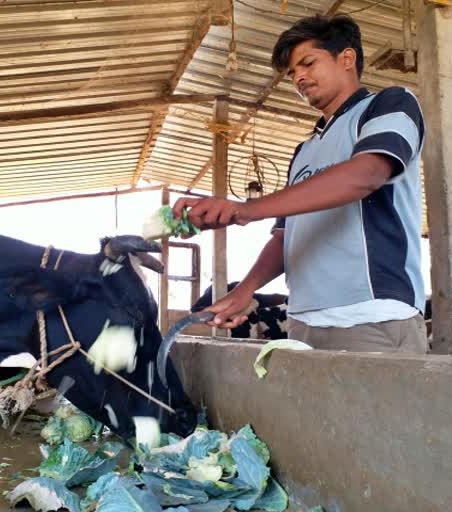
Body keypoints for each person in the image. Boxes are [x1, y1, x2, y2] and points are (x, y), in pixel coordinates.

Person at [172, 15, 427, 353]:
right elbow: (285, 237)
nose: (299, 78)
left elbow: (367, 174)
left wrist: (245, 209)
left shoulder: (387, 105)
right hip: (303, 321)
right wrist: (245, 289)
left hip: (370, 314)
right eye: (292, 73)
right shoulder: (304, 151)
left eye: (308, 63)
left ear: (347, 59)